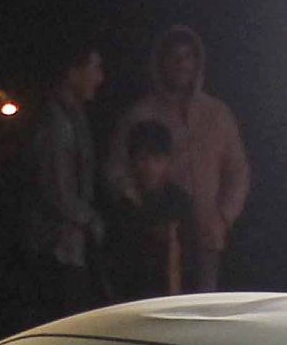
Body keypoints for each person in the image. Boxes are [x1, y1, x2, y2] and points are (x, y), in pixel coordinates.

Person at [103, 25, 249, 287]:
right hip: (156, 242)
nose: (183, 64)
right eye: (175, 57)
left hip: (205, 236)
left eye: (189, 56)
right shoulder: (141, 114)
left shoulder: (217, 114)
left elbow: (238, 171)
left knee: (203, 315)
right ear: (161, 63)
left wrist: (224, 217)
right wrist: (140, 212)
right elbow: (117, 170)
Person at [11, 46, 107, 327]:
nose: (100, 77)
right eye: (94, 68)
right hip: (56, 249)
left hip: (65, 248)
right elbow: (58, 190)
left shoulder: (72, 116)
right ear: (72, 72)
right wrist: (90, 220)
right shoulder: (57, 121)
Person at [97, 121, 196, 300]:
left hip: (173, 297)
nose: (149, 167)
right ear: (132, 161)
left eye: (157, 159)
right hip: (130, 299)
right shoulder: (122, 205)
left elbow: (188, 257)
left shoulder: (178, 202)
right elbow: (113, 259)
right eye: (143, 159)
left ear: (168, 161)